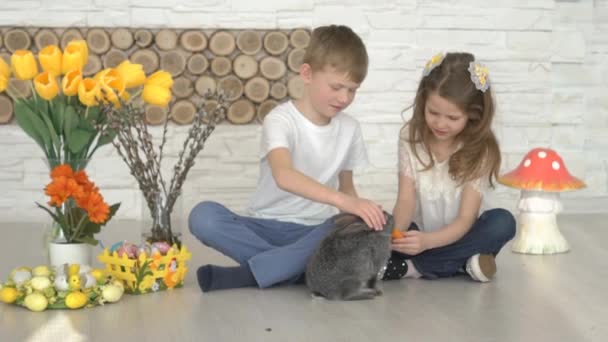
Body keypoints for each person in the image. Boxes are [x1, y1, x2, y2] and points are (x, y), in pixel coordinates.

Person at [188, 25, 386, 292]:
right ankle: (298, 269)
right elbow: (284, 175)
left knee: (372, 221)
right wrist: (344, 201)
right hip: (265, 226)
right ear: (307, 74)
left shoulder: (350, 128)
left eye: (353, 90)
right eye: (337, 87)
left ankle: (257, 273)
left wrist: (359, 213)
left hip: (316, 231)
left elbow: (347, 188)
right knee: (203, 217)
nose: (344, 98)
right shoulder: (280, 120)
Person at [382, 52, 515, 283]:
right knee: (381, 224)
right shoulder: (409, 138)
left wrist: (428, 242)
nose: (440, 124)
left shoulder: (480, 149)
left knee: (502, 223)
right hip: (420, 233)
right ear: (423, 102)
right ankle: (462, 263)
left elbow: (465, 219)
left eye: (452, 118)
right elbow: (405, 201)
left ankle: (410, 269)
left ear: (473, 115)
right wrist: (394, 236)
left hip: (462, 234)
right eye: (433, 113)